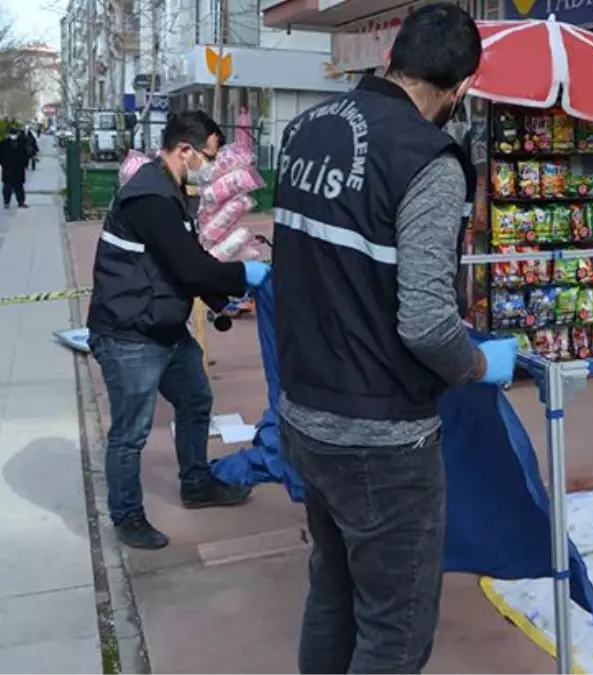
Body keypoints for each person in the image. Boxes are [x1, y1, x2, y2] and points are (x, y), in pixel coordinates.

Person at [271, 4, 517, 672]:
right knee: (396, 627)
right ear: (461, 88)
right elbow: (428, 322)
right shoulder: (429, 160)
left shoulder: (305, 129)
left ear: (389, 57)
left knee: (333, 589)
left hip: (303, 413)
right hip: (380, 438)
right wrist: (474, 364)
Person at [87, 110, 272, 550]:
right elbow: (188, 264)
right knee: (131, 431)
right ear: (185, 149)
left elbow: (184, 263)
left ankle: (197, 483)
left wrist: (219, 302)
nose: (210, 165)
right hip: (129, 334)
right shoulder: (149, 197)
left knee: (195, 400)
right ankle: (128, 515)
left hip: (164, 328)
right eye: (209, 154)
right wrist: (244, 273)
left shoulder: (173, 192)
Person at [0, 125, 31, 208]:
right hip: (8, 168)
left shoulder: (22, 142)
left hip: (18, 168)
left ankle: (21, 202)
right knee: (7, 187)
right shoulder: (4, 143)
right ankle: (6, 202)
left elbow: (26, 154)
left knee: (19, 187)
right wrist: (3, 164)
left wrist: (25, 164)